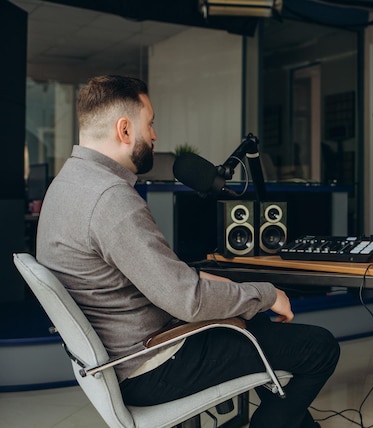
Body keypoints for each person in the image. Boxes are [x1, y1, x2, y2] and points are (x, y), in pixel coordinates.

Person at [36, 75, 340, 428]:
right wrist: (268, 293)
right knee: (318, 348)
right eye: (149, 124)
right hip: (152, 367)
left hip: (122, 360)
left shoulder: (66, 185)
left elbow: (153, 279)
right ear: (124, 130)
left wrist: (233, 292)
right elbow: (188, 301)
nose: (154, 136)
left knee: (254, 319)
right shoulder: (110, 199)